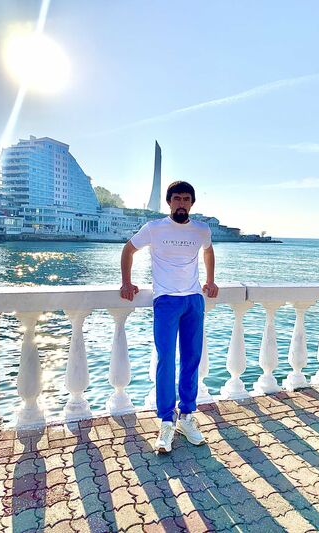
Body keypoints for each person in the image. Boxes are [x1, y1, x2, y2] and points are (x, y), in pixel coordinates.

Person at [120, 181, 218, 453]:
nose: (181, 203)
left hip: (193, 300)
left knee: (191, 359)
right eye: (177, 198)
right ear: (169, 202)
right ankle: (166, 421)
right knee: (166, 359)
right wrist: (126, 282)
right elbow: (128, 250)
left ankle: (186, 417)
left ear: (192, 203)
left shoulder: (201, 229)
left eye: (186, 199)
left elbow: (208, 250)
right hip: (165, 301)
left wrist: (210, 280)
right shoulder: (154, 228)